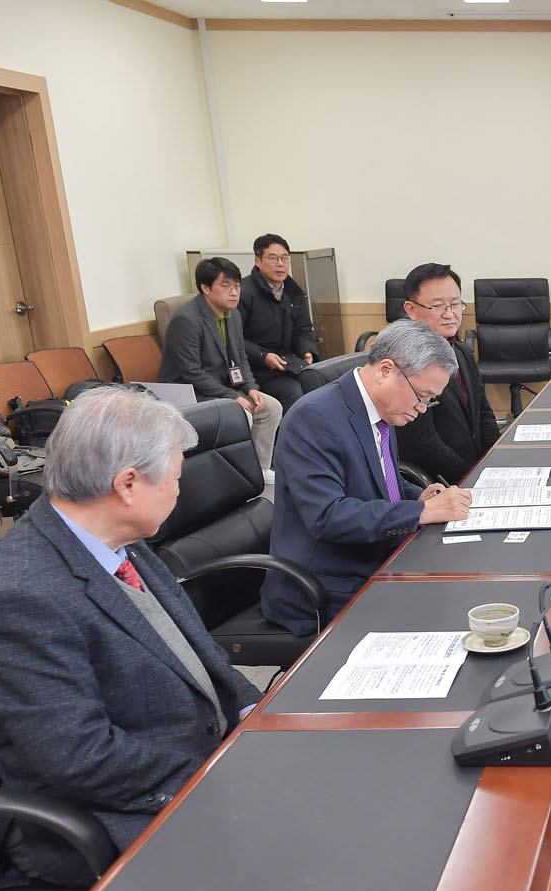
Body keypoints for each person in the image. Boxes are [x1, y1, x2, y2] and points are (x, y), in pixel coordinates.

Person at [0, 388, 262, 887]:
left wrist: (256, 716)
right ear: (128, 484)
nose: (178, 492)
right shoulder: (17, 597)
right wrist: (221, 776)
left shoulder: (119, 541)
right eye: (175, 479)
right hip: (102, 816)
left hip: (186, 758)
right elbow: (82, 758)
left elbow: (199, 655)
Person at [263, 320, 473, 635]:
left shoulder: (379, 407)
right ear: (386, 370)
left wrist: (415, 495)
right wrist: (420, 512)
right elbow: (327, 516)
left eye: (430, 400)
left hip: (374, 555)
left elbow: (375, 476)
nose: (423, 408)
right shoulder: (313, 418)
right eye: (422, 395)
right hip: (327, 582)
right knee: (449, 614)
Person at [159, 256, 282, 478]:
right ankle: (237, 476)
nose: (234, 293)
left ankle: (260, 469)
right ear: (205, 288)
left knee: (271, 407)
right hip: (190, 391)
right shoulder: (186, 320)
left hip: (220, 387)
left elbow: (241, 357)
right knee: (241, 415)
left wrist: (251, 387)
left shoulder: (233, 314)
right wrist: (232, 396)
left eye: (237, 286)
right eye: (226, 286)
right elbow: (191, 372)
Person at [395, 262, 501, 486]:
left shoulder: (461, 352)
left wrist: (497, 462)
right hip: (438, 484)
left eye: (455, 304)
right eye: (437, 306)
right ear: (411, 309)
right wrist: (472, 477)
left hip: (475, 473)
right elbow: (423, 446)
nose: (450, 314)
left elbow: (484, 417)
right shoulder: (407, 364)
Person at [237, 232, 318, 412]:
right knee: (293, 392)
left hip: (288, 363)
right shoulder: (244, 293)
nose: (280, 264)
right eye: (273, 258)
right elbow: (234, 339)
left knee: (320, 383)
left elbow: (304, 329)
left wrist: (307, 351)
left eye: (284, 258)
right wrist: (263, 356)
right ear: (258, 261)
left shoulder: (293, 291)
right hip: (256, 369)